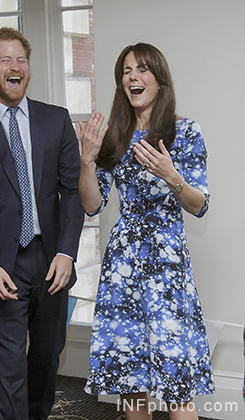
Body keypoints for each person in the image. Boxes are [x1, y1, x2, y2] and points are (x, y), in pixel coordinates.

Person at [0, 27, 84, 420]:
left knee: (45, 358)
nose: (15, 67)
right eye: (5, 60)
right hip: (2, 264)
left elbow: (71, 193)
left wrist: (67, 252)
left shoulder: (55, 121)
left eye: (21, 59)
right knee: (10, 368)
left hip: (52, 261)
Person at [79, 43, 214, 420]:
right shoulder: (115, 136)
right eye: (126, 71)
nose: (132, 77)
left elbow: (199, 205)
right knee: (130, 380)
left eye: (141, 69)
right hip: (123, 265)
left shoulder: (184, 132)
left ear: (159, 78)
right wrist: (87, 161)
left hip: (166, 268)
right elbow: (92, 204)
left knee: (176, 385)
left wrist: (173, 178)